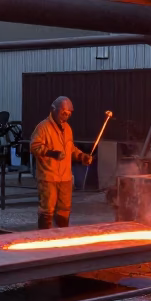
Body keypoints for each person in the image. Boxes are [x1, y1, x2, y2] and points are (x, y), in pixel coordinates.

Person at [29, 96, 92, 229]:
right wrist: (52, 153)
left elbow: (70, 148)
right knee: (47, 210)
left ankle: (62, 237)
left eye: (68, 114)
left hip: (65, 178)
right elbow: (34, 147)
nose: (66, 116)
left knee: (64, 210)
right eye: (63, 113)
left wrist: (82, 156)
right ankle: (43, 239)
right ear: (54, 110)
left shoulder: (67, 128)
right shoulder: (43, 127)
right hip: (48, 177)